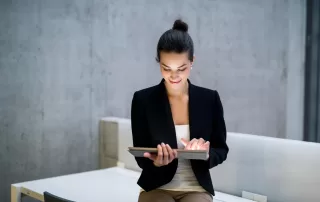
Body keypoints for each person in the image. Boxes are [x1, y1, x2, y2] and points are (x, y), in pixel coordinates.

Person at [130, 19, 229, 202]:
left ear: (192, 62)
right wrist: (156, 161)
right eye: (166, 68)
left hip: (197, 188)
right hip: (156, 186)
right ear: (158, 62)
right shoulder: (143, 100)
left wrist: (205, 154)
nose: (173, 76)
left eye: (181, 68)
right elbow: (141, 158)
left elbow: (221, 149)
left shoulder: (210, 99)